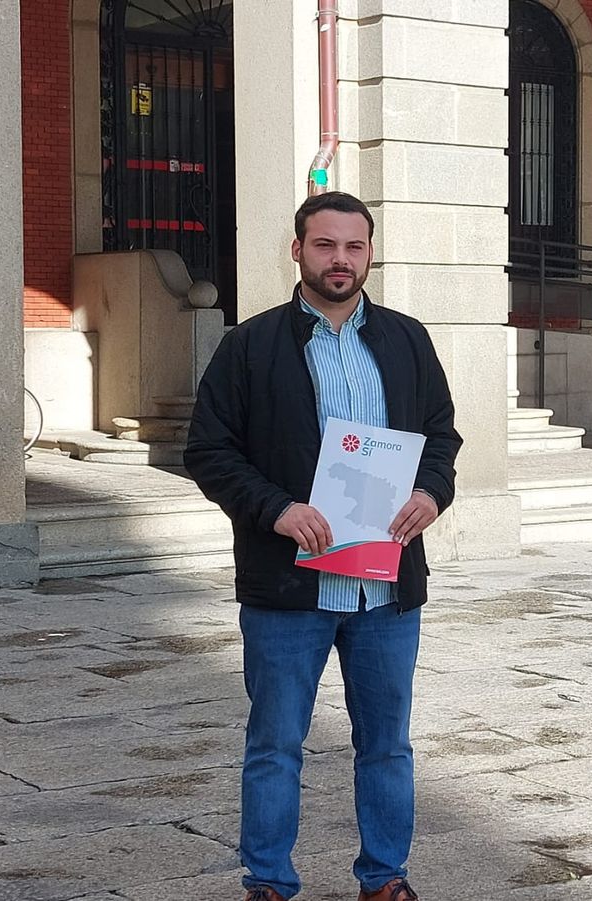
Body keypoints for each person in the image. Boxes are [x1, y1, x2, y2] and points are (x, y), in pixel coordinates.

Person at [184, 191, 462, 901]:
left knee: (387, 744)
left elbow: (441, 436)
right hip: (289, 587)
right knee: (275, 744)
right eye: (326, 245)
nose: (341, 259)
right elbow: (210, 451)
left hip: (385, 585)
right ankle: (269, 881)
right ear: (298, 249)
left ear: (370, 252)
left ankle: (385, 877)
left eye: (354, 247)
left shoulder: (406, 340)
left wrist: (431, 493)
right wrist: (276, 508)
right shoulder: (250, 346)